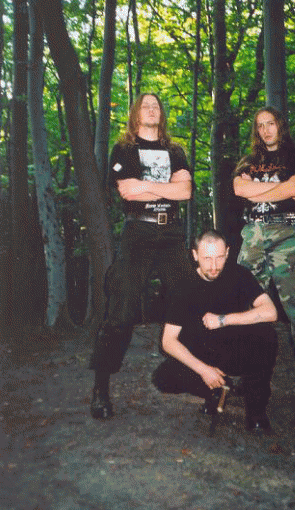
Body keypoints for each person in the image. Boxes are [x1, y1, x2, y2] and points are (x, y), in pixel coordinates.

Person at [89, 93, 193, 419]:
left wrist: (144, 185)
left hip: (171, 233)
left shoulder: (175, 151)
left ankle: (200, 375)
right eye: (145, 105)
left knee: (191, 298)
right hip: (138, 233)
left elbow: (185, 191)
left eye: (156, 105)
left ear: (161, 114)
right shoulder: (124, 149)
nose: (151, 109)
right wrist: (165, 187)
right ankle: (101, 386)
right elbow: (126, 191)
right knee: (122, 308)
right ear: (135, 113)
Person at [233, 106, 295, 417]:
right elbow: (239, 188)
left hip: (286, 235)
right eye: (260, 125)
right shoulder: (248, 160)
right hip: (252, 237)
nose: (265, 130)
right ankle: (251, 378)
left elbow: (294, 187)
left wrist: (259, 191)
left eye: (270, 123)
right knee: (245, 306)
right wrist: (280, 191)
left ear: (280, 125)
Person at [152, 230, 278, 433]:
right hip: (201, 351)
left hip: (233, 347)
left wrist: (223, 320)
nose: (214, 266)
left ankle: (256, 410)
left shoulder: (239, 275)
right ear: (195, 255)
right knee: (163, 377)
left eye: (219, 257)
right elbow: (168, 341)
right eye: (207, 258)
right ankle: (216, 390)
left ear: (227, 252)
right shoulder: (182, 286)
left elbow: (271, 312)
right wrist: (204, 370)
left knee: (266, 334)